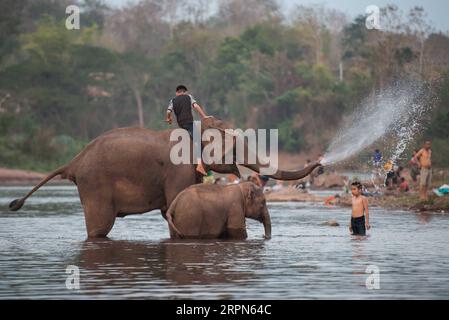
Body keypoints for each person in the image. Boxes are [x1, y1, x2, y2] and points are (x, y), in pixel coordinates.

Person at [166, 85, 208, 176]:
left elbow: (168, 111)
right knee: (197, 140)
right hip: (189, 122)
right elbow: (196, 106)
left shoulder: (172, 100)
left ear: (176, 92)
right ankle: (200, 164)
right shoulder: (189, 97)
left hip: (181, 124)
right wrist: (204, 116)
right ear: (185, 92)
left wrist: (169, 119)